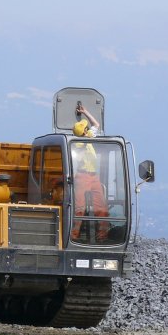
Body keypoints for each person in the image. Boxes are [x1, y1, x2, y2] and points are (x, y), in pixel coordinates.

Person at [71, 104, 109, 242]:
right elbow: (95, 126)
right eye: (86, 128)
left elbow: (96, 124)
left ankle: (102, 235)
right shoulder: (78, 144)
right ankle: (74, 235)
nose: (88, 129)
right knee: (79, 208)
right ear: (84, 132)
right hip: (82, 176)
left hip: (94, 176)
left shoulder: (87, 137)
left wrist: (85, 111)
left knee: (101, 207)